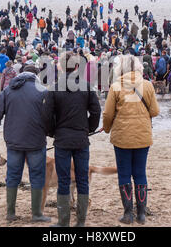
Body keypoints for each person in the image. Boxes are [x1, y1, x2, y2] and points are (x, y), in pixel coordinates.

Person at [42, 52, 101, 227]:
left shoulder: (54, 87)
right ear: (77, 67)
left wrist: (52, 132)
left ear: (60, 67)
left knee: (64, 179)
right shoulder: (87, 86)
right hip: (81, 138)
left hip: (62, 139)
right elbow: (96, 112)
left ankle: (64, 221)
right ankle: (81, 221)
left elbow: (46, 115)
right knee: (82, 179)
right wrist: (89, 129)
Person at [0, 65, 51, 223]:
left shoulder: (9, 90)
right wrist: (50, 131)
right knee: (37, 176)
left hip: (14, 140)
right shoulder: (43, 91)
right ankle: (37, 214)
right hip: (36, 141)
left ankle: (10, 213)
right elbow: (50, 116)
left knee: (12, 176)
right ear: (36, 75)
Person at [103, 55, 159, 225]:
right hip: (143, 136)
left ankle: (128, 214)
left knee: (124, 173)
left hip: (122, 137)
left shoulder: (115, 86)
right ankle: (141, 214)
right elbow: (155, 111)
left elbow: (107, 114)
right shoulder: (147, 85)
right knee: (140, 173)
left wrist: (106, 129)